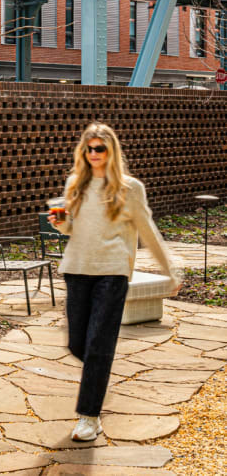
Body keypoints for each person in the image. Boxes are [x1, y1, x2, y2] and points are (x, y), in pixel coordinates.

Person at [48, 122, 180, 443]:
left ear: (111, 151)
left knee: (98, 345)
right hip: (78, 269)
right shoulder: (74, 184)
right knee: (78, 344)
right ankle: (98, 376)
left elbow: (148, 231)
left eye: (100, 148)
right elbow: (72, 230)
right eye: (89, 148)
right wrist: (61, 224)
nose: (94, 154)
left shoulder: (129, 188)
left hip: (112, 272)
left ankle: (89, 418)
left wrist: (170, 270)